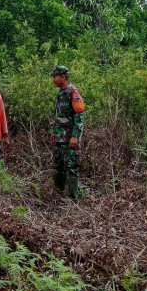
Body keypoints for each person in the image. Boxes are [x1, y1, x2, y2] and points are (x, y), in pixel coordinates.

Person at [49, 66, 85, 199]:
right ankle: (58, 193)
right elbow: (59, 114)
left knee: (72, 167)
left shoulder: (73, 93)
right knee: (58, 166)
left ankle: (72, 197)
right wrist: (54, 131)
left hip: (70, 138)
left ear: (63, 77)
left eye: (55, 77)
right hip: (60, 137)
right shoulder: (60, 93)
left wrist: (75, 136)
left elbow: (80, 116)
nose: (53, 79)